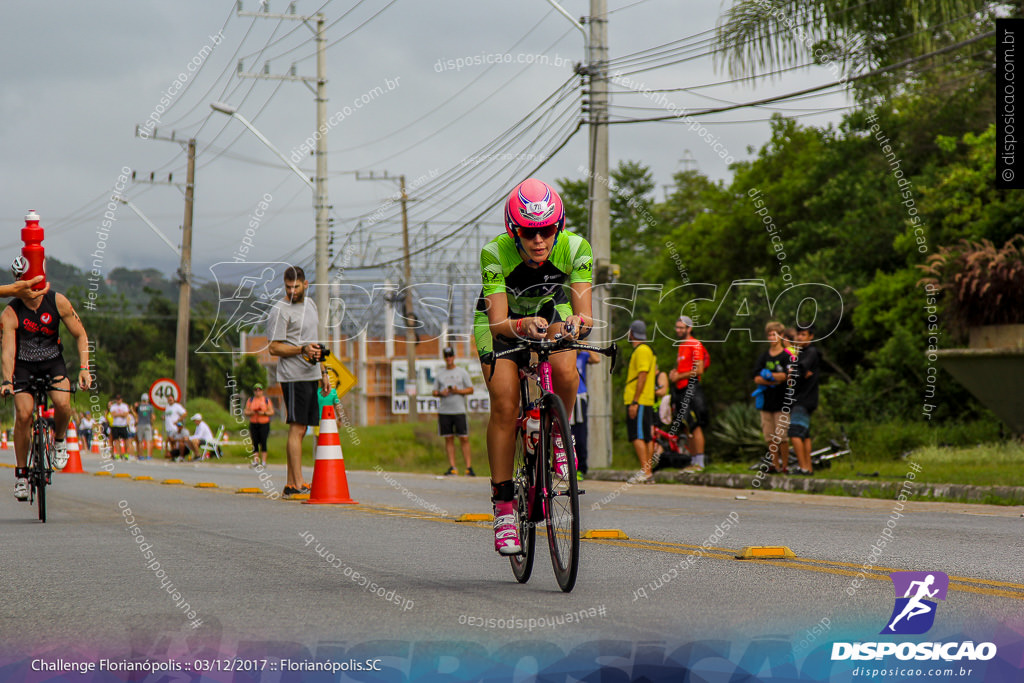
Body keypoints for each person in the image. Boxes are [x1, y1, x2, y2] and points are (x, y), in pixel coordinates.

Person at [475, 178, 593, 555]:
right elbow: (497, 323)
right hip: (503, 322)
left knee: (566, 369)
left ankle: (560, 434)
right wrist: (520, 326)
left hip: (549, 310)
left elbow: (585, 315)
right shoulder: (495, 252)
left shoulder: (576, 248)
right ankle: (505, 509)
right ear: (515, 231)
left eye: (547, 230)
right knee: (506, 403)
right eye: (529, 232)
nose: (539, 239)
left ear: (558, 226)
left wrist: (577, 324)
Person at [0, 273, 91, 501]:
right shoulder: (10, 312)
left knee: (62, 402)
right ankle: (21, 475)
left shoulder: (58, 301)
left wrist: (84, 367)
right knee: (22, 415)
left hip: (52, 362)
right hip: (23, 366)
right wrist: (6, 381)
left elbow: (80, 334)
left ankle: (59, 440)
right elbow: (8, 351)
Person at [266, 265, 330, 496]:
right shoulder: (280, 310)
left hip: (312, 375)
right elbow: (274, 348)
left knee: (303, 429)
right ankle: (298, 482)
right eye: (288, 287)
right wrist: (301, 349)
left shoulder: (311, 305)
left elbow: (315, 341)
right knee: (298, 427)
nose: (292, 291)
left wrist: (324, 372)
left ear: (306, 285)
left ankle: (291, 483)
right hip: (293, 376)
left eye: (296, 287)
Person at [752, 321, 797, 474]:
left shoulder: (786, 356)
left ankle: (785, 465)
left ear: (781, 336)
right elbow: (756, 377)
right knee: (769, 435)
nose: (772, 337)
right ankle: (774, 464)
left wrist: (770, 376)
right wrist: (772, 379)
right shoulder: (764, 356)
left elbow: (786, 375)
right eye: (770, 335)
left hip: (782, 401)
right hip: (766, 401)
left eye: (775, 334)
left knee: (781, 436)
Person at [668, 315, 711, 471]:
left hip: (691, 388)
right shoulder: (682, 345)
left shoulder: (695, 344)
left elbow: (699, 370)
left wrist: (680, 375)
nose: (679, 330)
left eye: (682, 327)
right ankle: (693, 461)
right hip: (680, 389)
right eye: (677, 327)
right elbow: (685, 367)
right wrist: (675, 374)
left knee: (696, 424)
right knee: (687, 425)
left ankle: (699, 462)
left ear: (689, 328)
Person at [433, 346, 475, 477]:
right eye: (446, 356)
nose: (449, 358)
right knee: (449, 438)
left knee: (464, 438)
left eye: (450, 356)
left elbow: (470, 389)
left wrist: (457, 391)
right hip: (445, 411)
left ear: (454, 357)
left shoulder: (462, 372)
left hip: (459, 410)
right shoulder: (440, 374)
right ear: (444, 358)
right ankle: (453, 467)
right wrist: (441, 392)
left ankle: (468, 467)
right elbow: (434, 392)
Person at [624, 319, 657, 483]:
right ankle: (647, 472)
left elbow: (642, 375)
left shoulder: (642, 350)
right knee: (646, 436)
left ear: (631, 333)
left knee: (637, 435)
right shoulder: (646, 349)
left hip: (639, 400)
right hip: (645, 399)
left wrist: (635, 402)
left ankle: (646, 471)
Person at [789, 324, 821, 475]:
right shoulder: (800, 352)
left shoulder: (810, 352)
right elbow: (799, 372)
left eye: (803, 335)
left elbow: (799, 371)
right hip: (802, 397)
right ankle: (808, 467)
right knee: (805, 434)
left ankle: (802, 468)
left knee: (794, 433)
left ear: (811, 337)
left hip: (804, 399)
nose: (799, 338)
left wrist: (793, 372)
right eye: (798, 335)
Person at [570, 348, 600, 480]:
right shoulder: (564, 354)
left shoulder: (582, 356)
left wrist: (584, 345)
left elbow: (596, 359)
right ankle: (568, 466)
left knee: (580, 434)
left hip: (580, 397)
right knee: (566, 433)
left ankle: (580, 468)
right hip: (566, 396)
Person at [244, 382, 274, 468]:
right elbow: (246, 411)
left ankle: (264, 461)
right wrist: (252, 412)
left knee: (263, 442)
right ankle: (256, 460)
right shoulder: (251, 400)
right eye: (256, 390)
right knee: (255, 442)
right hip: (254, 422)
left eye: (259, 390)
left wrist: (263, 413)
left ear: (262, 391)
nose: (257, 392)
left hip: (264, 423)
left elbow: (271, 411)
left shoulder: (266, 400)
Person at [108, 394, 131, 459]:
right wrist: (121, 414)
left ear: (121, 399)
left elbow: (126, 414)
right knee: (116, 440)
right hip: (115, 425)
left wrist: (118, 414)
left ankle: (126, 453)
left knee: (126, 440)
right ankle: (118, 453)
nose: (118, 401)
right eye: (117, 399)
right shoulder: (113, 406)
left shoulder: (124, 406)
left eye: (119, 399)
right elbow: (113, 414)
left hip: (123, 425)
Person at [135, 393, 155, 460]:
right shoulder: (150, 407)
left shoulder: (139, 407)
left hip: (140, 424)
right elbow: (153, 417)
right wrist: (152, 423)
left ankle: (141, 455)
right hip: (147, 424)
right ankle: (149, 456)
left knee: (140, 441)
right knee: (148, 441)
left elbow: (137, 417)